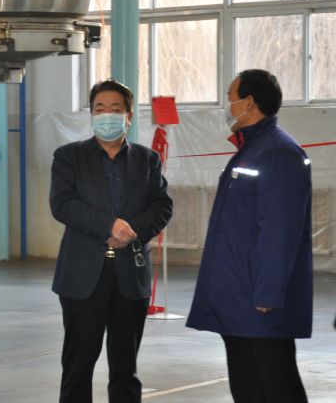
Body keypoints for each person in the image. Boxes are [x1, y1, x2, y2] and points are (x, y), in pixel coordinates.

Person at [186, 69, 312, 403]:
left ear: (249, 102)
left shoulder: (277, 153)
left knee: (277, 384)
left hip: (259, 301)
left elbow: (280, 231)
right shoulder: (251, 149)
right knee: (248, 385)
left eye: (230, 99)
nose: (227, 107)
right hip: (239, 296)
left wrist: (267, 294)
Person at [49, 79, 173, 403]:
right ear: (91, 114)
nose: (107, 115)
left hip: (130, 276)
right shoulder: (69, 157)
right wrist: (110, 226)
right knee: (77, 367)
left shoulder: (147, 160)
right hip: (82, 276)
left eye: (115, 109)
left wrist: (131, 231)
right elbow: (62, 204)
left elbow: (162, 206)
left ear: (128, 116)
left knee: (125, 369)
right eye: (100, 109)